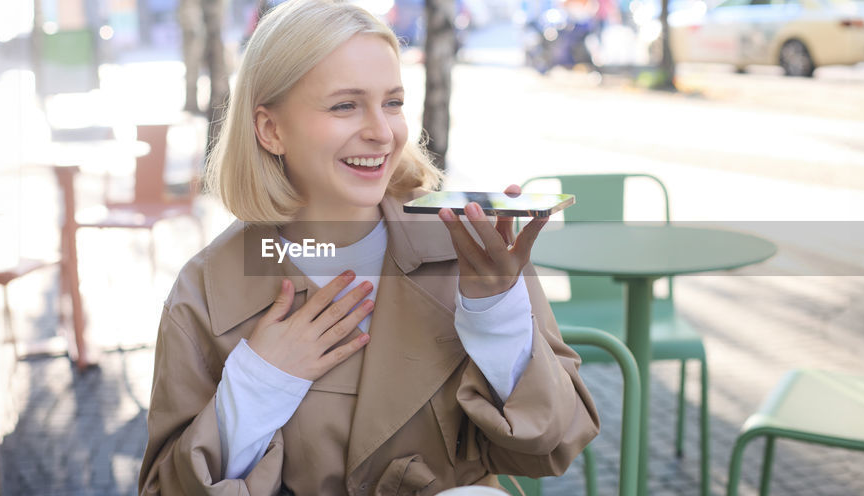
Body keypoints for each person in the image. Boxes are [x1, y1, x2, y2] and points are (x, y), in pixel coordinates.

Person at [137, 1, 600, 494]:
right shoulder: (205, 293)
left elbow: (553, 443)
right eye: (345, 105)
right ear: (271, 130)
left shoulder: (469, 248)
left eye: (393, 103)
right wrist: (257, 384)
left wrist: (496, 315)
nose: (382, 132)